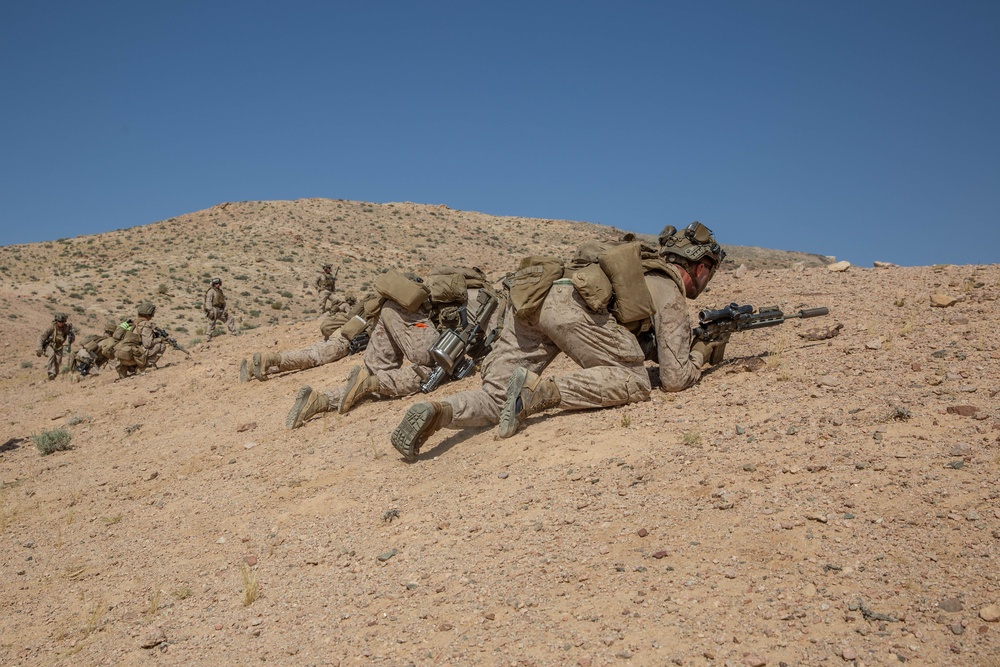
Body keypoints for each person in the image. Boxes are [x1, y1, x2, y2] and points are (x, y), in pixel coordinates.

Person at [390, 222, 726, 461]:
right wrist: (701, 350)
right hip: (569, 308)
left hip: (535, 299)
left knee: (498, 397)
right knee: (634, 381)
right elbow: (674, 379)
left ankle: (440, 411)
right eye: (709, 271)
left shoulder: (639, 271)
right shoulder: (669, 288)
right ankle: (540, 392)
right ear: (700, 266)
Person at [286, 267, 497, 429]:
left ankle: (320, 400)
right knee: (430, 370)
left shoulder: (457, 293)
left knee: (374, 374)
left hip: (390, 316)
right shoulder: (486, 299)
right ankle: (370, 383)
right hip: (418, 329)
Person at [238, 292, 379, 383]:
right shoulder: (382, 309)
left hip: (339, 332)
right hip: (345, 340)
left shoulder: (370, 302)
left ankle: (252, 368)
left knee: (304, 356)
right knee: (311, 357)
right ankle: (268, 359)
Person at [114, 303, 167, 378]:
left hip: (122, 356)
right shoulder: (145, 324)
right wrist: (160, 339)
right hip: (131, 357)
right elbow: (147, 344)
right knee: (161, 346)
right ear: (149, 313)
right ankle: (142, 368)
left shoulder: (131, 323)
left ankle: (124, 367)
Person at [36, 312, 75, 380]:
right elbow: (41, 337)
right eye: (59, 321)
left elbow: (72, 338)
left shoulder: (66, 328)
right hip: (49, 345)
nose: (61, 323)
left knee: (58, 362)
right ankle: (50, 372)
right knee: (51, 354)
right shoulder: (51, 327)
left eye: (63, 322)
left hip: (59, 347)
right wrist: (39, 348)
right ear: (56, 321)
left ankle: (54, 376)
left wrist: (71, 338)